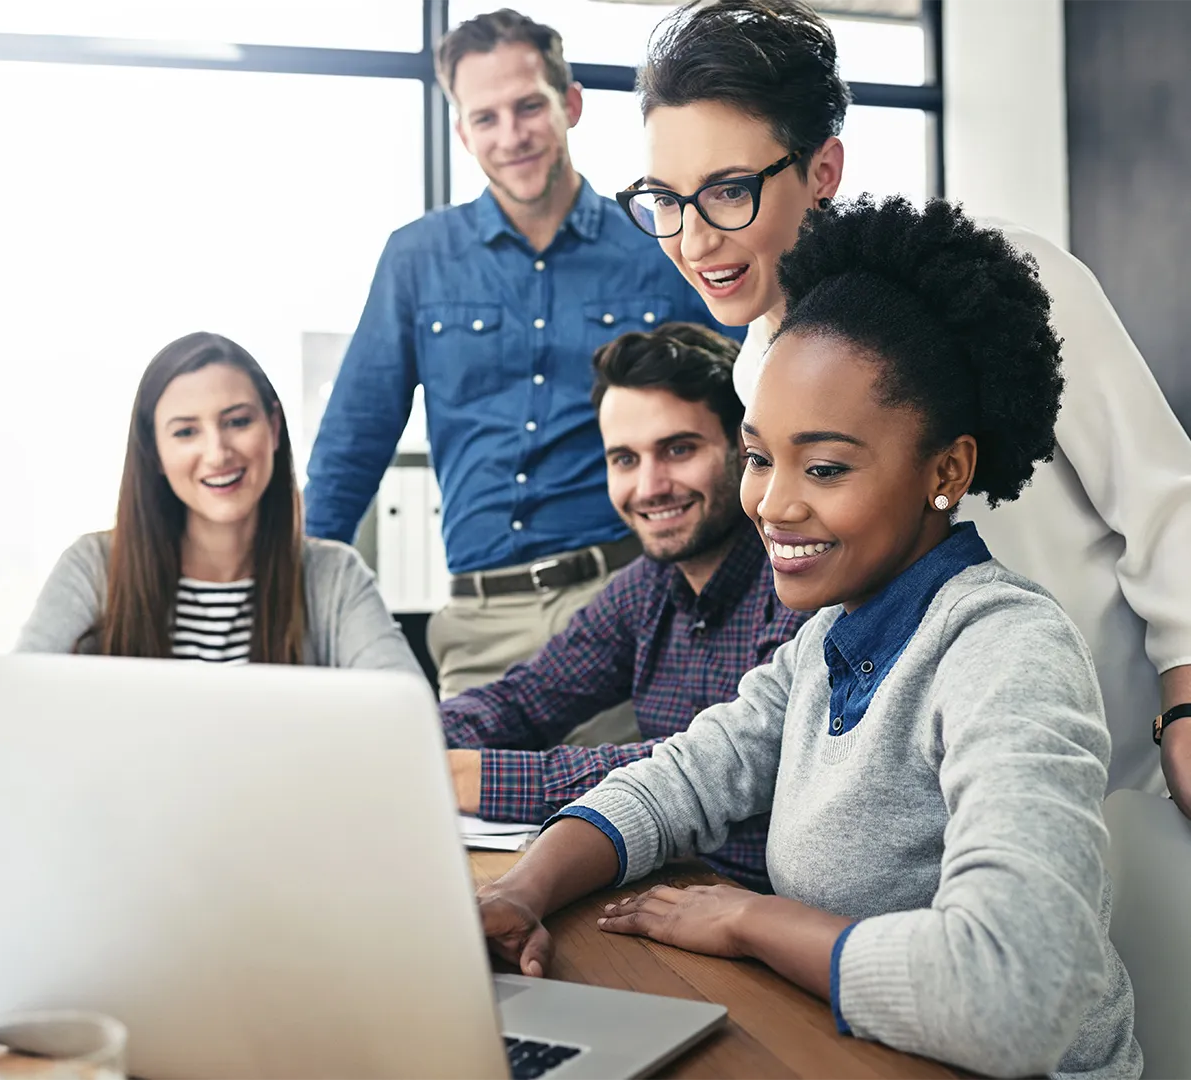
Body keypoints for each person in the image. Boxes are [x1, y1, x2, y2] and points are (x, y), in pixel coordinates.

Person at [478, 196, 1141, 1079]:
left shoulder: (1005, 649)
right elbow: (678, 777)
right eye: (759, 457)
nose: (772, 504)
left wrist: (751, 920)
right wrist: (521, 890)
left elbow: (1013, 996)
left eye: (823, 467)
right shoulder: (827, 641)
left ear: (945, 471)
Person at [616, 0, 1191, 812]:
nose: (693, 239)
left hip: (1122, 770)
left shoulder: (1009, 280)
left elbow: (1167, 506)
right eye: (665, 200)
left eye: (728, 191)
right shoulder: (757, 376)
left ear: (822, 170)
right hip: (944, 786)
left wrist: (1185, 703)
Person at [304, 9, 725, 720]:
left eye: (528, 106)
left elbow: (741, 407)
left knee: (611, 826)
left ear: (570, 104)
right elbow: (351, 445)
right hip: (476, 622)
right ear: (462, 133)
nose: (511, 135)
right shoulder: (416, 259)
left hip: (627, 606)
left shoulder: (659, 241)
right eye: (485, 118)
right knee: (455, 822)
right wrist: (301, 610)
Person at [445, 322, 805, 890]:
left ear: (746, 448)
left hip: (763, 911)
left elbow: (708, 764)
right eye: (624, 460)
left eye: (679, 449)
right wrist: (413, 745)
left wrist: (474, 776)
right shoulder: (647, 585)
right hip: (665, 893)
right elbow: (525, 699)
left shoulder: (796, 577)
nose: (650, 487)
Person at [17, 331, 420, 675]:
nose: (217, 453)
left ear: (274, 427)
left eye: (238, 422)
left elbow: (409, 723)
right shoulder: (92, 567)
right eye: (186, 432)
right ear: (154, 452)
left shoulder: (335, 577)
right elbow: (15, 708)